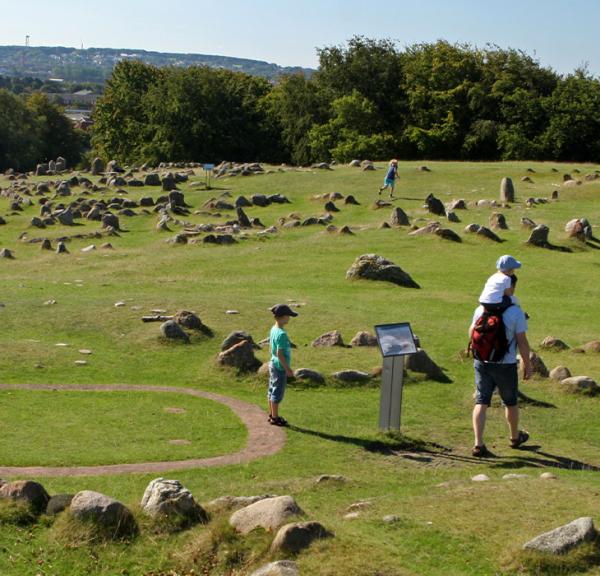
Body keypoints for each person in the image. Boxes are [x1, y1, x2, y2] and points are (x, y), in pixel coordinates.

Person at [469, 272, 533, 457]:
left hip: (482, 361)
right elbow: (522, 342)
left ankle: (478, 444)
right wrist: (527, 365)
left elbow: (471, 334)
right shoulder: (515, 312)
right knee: (510, 402)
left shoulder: (480, 310)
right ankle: (514, 438)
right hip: (506, 364)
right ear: (509, 289)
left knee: (481, 401)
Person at [268, 304, 298, 426]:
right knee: (277, 393)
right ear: (283, 317)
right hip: (279, 367)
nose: (289, 318)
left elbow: (272, 349)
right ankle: (275, 418)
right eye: (288, 316)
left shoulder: (273, 329)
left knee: (271, 390)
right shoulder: (281, 334)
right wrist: (287, 369)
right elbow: (280, 353)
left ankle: (272, 414)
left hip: (273, 364)